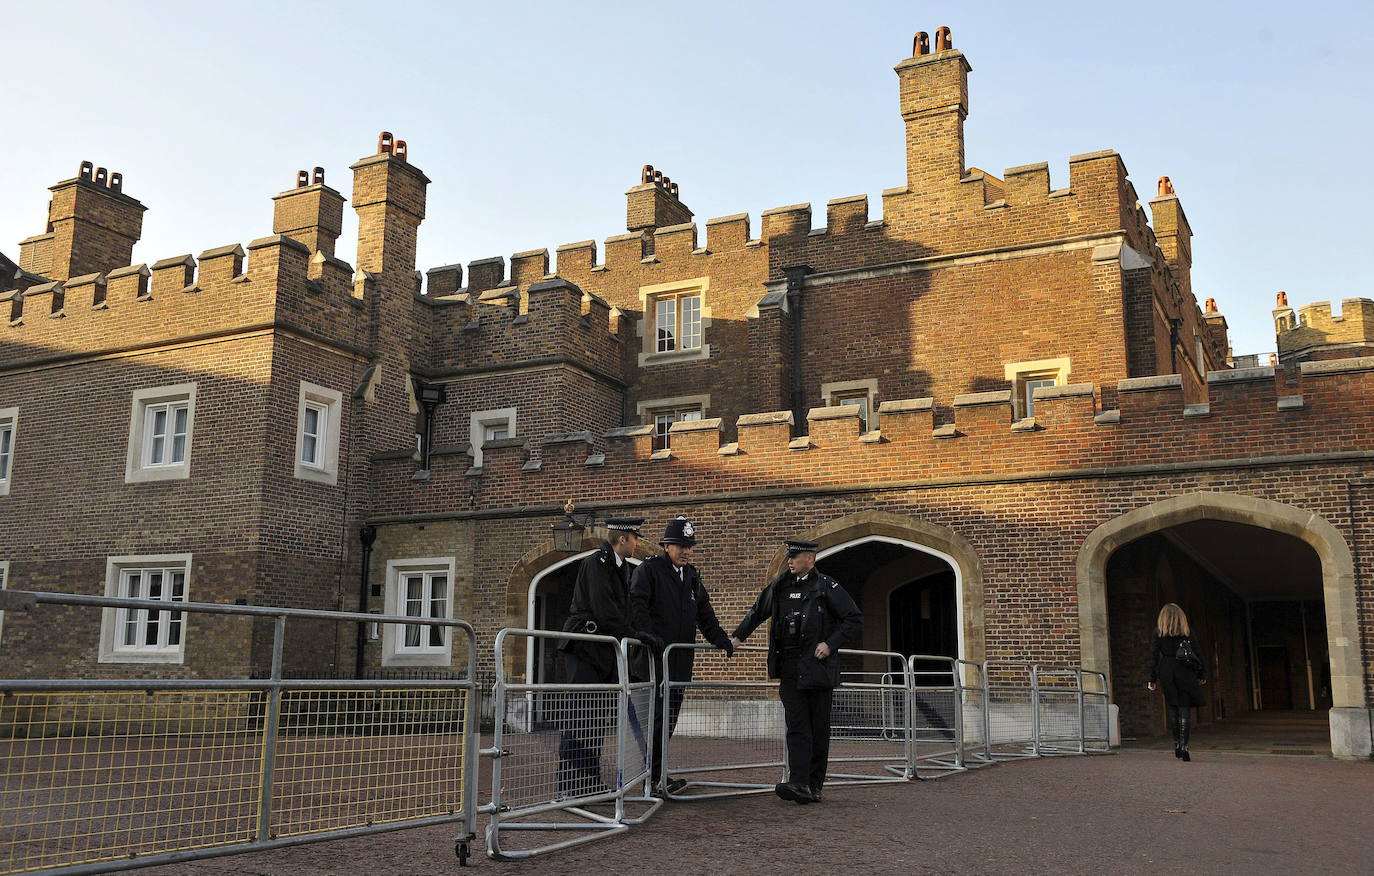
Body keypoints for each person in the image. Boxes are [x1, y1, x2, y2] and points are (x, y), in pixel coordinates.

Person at [730, 539, 862, 805]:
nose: (789, 560)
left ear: (810, 559)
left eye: (795, 556)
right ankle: (798, 781)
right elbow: (758, 611)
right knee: (797, 726)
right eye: (789, 556)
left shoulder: (826, 586)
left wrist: (830, 644)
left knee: (818, 728)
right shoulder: (780, 585)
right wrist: (736, 638)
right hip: (789, 667)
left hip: (817, 667)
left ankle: (814, 785)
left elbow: (853, 618)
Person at [629, 515, 734, 794]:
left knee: (669, 720)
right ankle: (651, 777)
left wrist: (720, 639)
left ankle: (658, 775)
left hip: (679, 663)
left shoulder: (691, 575)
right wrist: (647, 635)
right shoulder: (649, 570)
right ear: (666, 546)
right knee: (654, 721)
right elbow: (637, 605)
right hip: (653, 663)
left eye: (690, 546)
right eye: (680, 546)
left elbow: (704, 613)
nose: (687, 551)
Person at [556, 517, 653, 796]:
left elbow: (621, 609)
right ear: (622, 539)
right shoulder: (596, 563)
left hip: (602, 650)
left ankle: (589, 781)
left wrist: (636, 631)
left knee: (596, 719)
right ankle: (570, 785)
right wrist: (635, 634)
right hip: (585, 647)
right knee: (580, 718)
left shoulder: (619, 567)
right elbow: (604, 610)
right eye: (635, 537)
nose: (637, 543)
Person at [1147, 602, 1207, 762]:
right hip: (1185, 671)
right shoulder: (1188, 632)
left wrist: (1151, 678)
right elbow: (1198, 653)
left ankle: (1176, 745)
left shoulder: (1158, 633)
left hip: (1166, 670)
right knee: (1184, 709)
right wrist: (1202, 673)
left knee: (1173, 708)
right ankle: (1184, 746)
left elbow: (1153, 656)